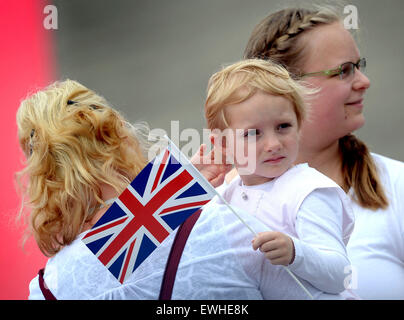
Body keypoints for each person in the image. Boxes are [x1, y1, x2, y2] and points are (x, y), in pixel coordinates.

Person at [17, 79, 338, 300]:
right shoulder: (232, 230)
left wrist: (180, 184)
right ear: (121, 137)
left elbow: (109, 257)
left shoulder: (49, 288)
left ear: (41, 177)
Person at [233, 5, 404, 299]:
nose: (364, 82)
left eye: (359, 66)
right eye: (345, 71)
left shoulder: (397, 186)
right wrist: (192, 192)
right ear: (285, 89)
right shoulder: (223, 198)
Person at [204, 58, 354, 295]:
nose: (273, 144)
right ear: (222, 143)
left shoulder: (308, 191)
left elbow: (340, 276)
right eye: (254, 133)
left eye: (283, 126)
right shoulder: (224, 198)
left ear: (300, 125)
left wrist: (296, 252)